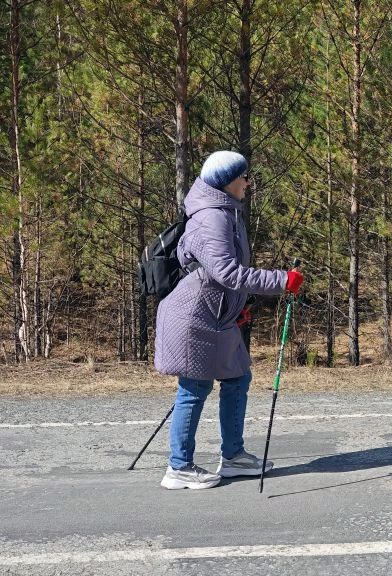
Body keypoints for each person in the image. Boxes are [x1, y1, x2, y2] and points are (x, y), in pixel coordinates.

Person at [154, 151, 305, 490]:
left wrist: (236, 307)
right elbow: (228, 273)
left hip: (216, 315)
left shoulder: (226, 211)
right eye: (244, 177)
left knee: (237, 377)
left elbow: (219, 276)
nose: (248, 183)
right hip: (193, 317)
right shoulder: (212, 217)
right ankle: (179, 467)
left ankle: (234, 457)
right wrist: (282, 280)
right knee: (194, 388)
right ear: (227, 181)